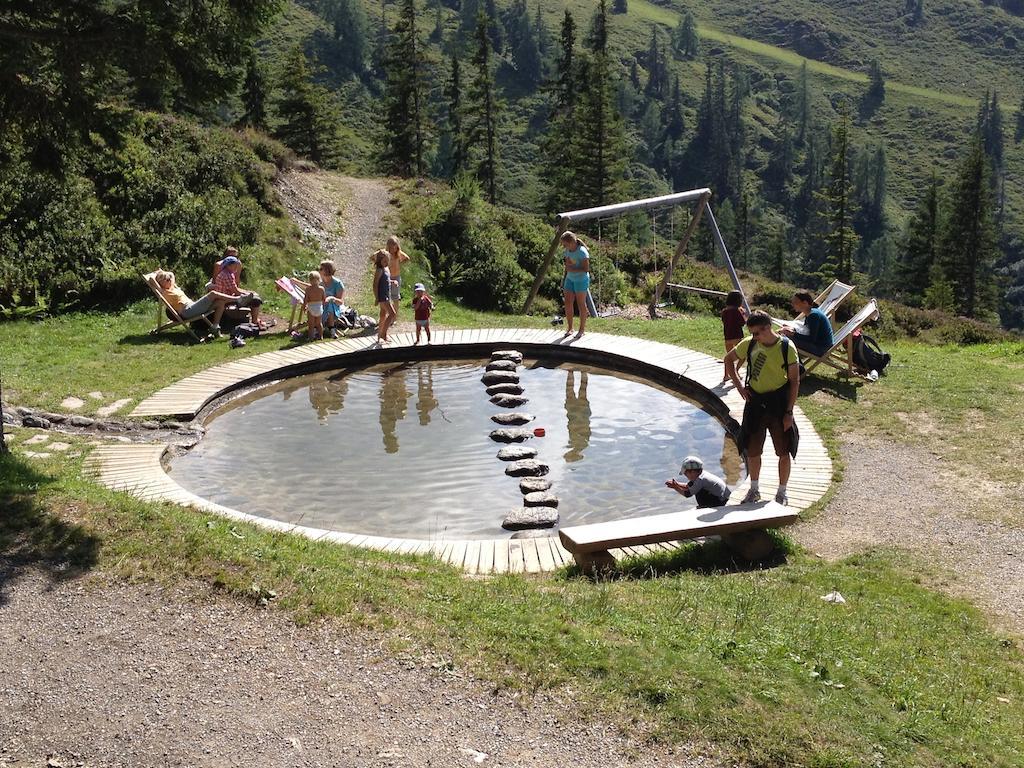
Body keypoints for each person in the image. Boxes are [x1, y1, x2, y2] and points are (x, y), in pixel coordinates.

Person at [725, 310, 801, 506]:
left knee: (784, 451)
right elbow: (728, 359)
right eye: (752, 333)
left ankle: (782, 492)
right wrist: (739, 385)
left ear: (767, 328)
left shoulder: (787, 347)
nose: (754, 337)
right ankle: (754, 490)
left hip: (779, 404)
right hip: (755, 404)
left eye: (757, 333)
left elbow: (794, 381)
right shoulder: (749, 343)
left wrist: (789, 413)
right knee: (752, 451)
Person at [153, 270, 235, 336]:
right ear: (161, 283)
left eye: (169, 279)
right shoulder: (164, 292)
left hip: (193, 307)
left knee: (220, 302)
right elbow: (151, 280)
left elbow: (171, 274)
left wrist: (162, 272)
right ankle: (237, 299)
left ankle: (215, 327)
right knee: (213, 294)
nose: (170, 280)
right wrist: (155, 275)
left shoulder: (172, 287)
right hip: (187, 311)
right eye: (167, 279)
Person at [212, 249, 265, 327]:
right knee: (256, 300)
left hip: (227, 295)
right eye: (235, 265)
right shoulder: (227, 275)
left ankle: (254, 319)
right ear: (229, 265)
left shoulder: (227, 272)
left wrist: (247, 292)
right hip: (226, 299)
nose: (237, 266)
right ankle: (254, 321)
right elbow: (236, 291)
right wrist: (249, 294)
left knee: (252, 295)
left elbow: (235, 288)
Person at [780, 291, 834, 358]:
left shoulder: (813, 316)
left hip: (820, 349)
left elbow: (811, 339)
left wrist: (793, 334)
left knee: (784, 339)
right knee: (784, 336)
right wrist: (792, 329)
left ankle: (790, 362)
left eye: (796, 302)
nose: (793, 304)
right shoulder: (811, 313)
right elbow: (806, 331)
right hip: (820, 345)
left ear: (805, 303)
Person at [665, 455, 731, 508]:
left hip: (721, 501)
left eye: (685, 473)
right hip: (723, 498)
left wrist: (675, 487)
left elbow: (687, 494)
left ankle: (705, 507)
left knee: (699, 492)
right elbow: (688, 486)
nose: (685, 475)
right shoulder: (701, 475)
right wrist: (677, 484)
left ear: (692, 472)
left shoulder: (700, 480)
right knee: (696, 488)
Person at [560, 231, 590, 339]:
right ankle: (570, 328)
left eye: (565, 244)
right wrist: (565, 278)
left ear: (571, 242)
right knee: (568, 302)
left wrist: (572, 269)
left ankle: (581, 330)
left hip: (581, 280)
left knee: (581, 304)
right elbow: (567, 265)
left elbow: (586, 269)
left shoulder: (582, 252)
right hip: (570, 279)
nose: (564, 246)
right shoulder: (568, 250)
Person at [370, 235, 410, 312]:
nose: (393, 250)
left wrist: (399, 263)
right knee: (386, 296)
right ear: (388, 246)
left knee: (395, 297)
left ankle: (394, 316)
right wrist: (379, 263)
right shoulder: (384, 254)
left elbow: (407, 258)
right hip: (386, 277)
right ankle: (386, 313)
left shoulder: (398, 254)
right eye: (391, 248)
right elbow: (372, 256)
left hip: (396, 276)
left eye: (394, 248)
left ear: (397, 247)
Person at [721, 290, 748, 383]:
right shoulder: (737, 311)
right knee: (743, 355)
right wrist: (743, 314)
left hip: (727, 337)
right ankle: (736, 371)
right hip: (737, 336)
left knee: (729, 357)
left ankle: (726, 375)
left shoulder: (724, 311)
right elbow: (743, 323)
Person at [319, 260, 346, 338]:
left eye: (321, 269)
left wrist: (332, 298)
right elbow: (310, 287)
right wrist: (297, 282)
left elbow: (340, 302)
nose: (319, 271)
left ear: (327, 270)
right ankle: (329, 329)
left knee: (330, 304)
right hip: (323, 306)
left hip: (336, 307)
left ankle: (332, 330)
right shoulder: (321, 283)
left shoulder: (337, 283)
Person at [374, 249, 396, 342]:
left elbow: (385, 281)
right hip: (382, 297)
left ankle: (379, 336)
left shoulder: (386, 269)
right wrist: (376, 297)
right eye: (384, 261)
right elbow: (375, 284)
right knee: (392, 314)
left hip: (387, 295)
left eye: (387, 261)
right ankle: (384, 334)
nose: (386, 263)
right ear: (379, 261)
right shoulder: (379, 270)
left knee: (383, 315)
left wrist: (392, 282)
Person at [301, 270, 325, 340]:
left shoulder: (308, 289)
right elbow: (324, 299)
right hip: (319, 307)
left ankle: (311, 337)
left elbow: (305, 299)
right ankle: (321, 336)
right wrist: (322, 306)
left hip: (311, 307)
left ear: (309, 280)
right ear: (319, 280)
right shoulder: (321, 289)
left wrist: (304, 306)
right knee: (319, 323)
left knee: (311, 324)